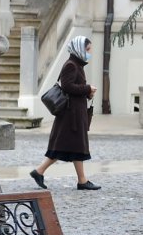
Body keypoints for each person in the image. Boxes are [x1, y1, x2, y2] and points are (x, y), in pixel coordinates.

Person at [30, 36, 100, 191]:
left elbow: (75, 88)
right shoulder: (71, 65)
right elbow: (67, 86)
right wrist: (87, 88)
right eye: (87, 50)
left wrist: (87, 93)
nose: (89, 53)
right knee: (70, 146)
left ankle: (42, 172)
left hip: (74, 113)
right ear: (80, 49)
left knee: (71, 147)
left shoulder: (77, 64)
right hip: (70, 115)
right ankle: (80, 181)